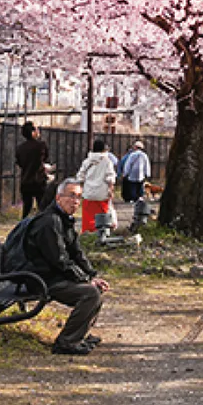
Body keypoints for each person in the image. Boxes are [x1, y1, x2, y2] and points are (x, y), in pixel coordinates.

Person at [21, 177, 110, 355]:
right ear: (58, 198)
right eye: (71, 196)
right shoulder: (49, 222)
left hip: (54, 275)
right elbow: (60, 260)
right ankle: (66, 342)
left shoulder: (64, 220)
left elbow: (77, 253)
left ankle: (79, 336)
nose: (75, 201)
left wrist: (92, 276)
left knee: (95, 289)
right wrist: (85, 281)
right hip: (42, 279)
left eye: (78, 197)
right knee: (90, 293)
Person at [74, 136, 120, 234]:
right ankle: (101, 232)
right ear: (104, 149)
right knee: (102, 214)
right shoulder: (107, 161)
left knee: (88, 215)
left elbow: (80, 177)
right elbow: (110, 178)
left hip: (88, 193)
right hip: (102, 193)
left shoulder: (87, 161)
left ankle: (87, 232)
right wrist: (111, 190)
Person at [14, 121, 51, 218]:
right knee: (43, 208)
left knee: (26, 208)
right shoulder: (41, 145)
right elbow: (45, 158)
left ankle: (23, 228)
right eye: (36, 129)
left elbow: (19, 163)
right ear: (32, 132)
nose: (38, 131)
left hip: (25, 181)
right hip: (39, 181)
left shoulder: (20, 148)